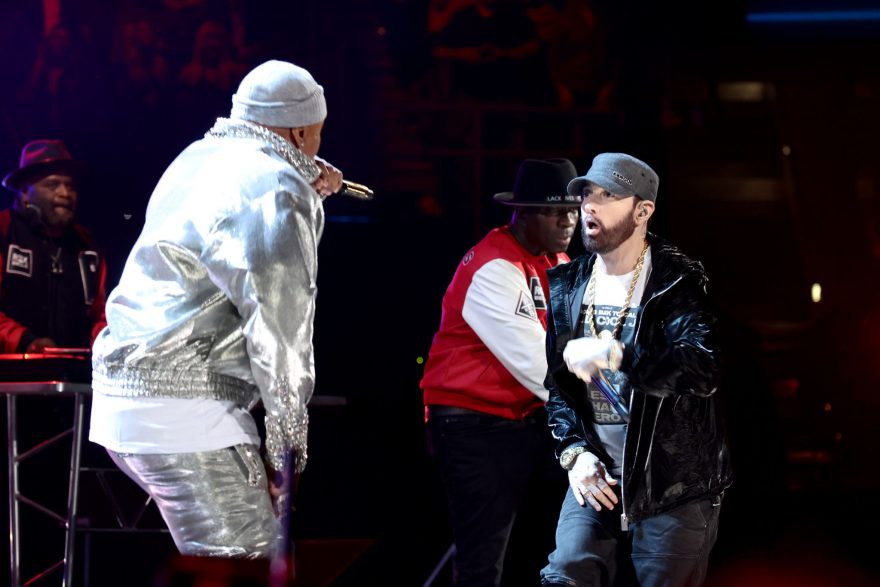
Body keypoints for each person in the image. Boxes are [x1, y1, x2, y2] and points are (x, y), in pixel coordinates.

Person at [88, 59, 342, 558]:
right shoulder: (278, 188)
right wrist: (285, 451)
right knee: (250, 567)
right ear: (301, 130)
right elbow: (281, 330)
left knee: (227, 566)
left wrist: (303, 176)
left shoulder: (197, 156)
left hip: (125, 399)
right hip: (186, 409)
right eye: (317, 136)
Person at [539, 153, 732, 587]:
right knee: (565, 575)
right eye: (587, 193)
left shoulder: (676, 282)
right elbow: (560, 390)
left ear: (642, 211)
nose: (590, 204)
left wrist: (616, 354)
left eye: (608, 195)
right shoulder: (567, 284)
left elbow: (701, 370)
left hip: (672, 482)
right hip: (598, 473)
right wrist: (574, 454)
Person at [421, 158, 579, 586]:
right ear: (524, 213)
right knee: (482, 562)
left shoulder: (556, 260)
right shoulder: (493, 267)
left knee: (579, 523)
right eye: (555, 211)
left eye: (573, 209)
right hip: (473, 425)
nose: (569, 221)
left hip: (520, 420)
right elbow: (543, 369)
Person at [0, 138, 107, 353]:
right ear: (24, 190)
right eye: (53, 184)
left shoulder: (88, 249)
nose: (65, 194)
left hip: (75, 380)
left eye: (70, 186)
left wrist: (104, 344)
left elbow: (100, 317)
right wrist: (26, 342)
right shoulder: (3, 231)